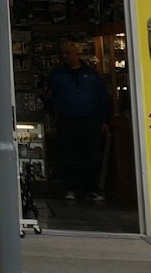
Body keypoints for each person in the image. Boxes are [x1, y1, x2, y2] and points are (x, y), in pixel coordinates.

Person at [46, 42, 110, 203]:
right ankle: (71, 188)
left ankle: (91, 189)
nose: (65, 56)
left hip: (91, 118)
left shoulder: (91, 73)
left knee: (91, 155)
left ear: (76, 53)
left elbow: (102, 97)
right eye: (63, 53)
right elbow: (51, 96)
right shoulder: (57, 74)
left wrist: (104, 121)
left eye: (68, 53)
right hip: (67, 119)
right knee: (68, 155)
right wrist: (54, 114)